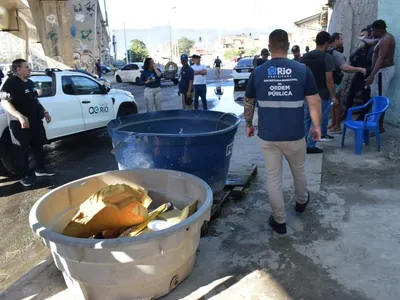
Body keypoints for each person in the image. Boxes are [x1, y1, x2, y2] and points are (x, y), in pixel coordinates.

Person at [244, 29, 322, 235]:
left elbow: (249, 101)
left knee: (273, 179)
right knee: (299, 170)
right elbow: (314, 101)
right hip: (294, 135)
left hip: (269, 137)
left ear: (269, 47)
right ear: (288, 46)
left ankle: (279, 222)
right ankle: (301, 202)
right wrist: (317, 126)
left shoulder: (258, 72)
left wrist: (249, 124)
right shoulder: (302, 70)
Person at [0, 59, 55, 187]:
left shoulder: (29, 82)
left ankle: (40, 169)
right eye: (26, 67)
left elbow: (34, 99)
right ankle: (24, 176)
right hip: (19, 124)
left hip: (35, 121)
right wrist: (20, 116)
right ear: (18, 69)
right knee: (22, 151)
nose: (30, 69)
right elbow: (5, 102)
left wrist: (44, 111)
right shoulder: (11, 83)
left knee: (38, 146)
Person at [301, 31, 337, 154]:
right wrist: (333, 96)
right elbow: (329, 79)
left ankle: (304, 143)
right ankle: (311, 145)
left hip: (306, 94)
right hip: (321, 94)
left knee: (306, 118)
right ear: (326, 43)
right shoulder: (327, 57)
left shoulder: (305, 57)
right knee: (317, 120)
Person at [327, 33, 367, 134]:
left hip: (331, 81)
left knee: (334, 102)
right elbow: (345, 68)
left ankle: (334, 124)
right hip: (335, 81)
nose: (342, 41)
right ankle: (336, 126)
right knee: (336, 103)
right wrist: (360, 69)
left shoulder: (328, 50)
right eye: (341, 39)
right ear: (336, 40)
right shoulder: (336, 53)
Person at [364, 19, 396, 134]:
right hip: (380, 72)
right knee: (376, 98)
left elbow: (381, 58)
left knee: (380, 100)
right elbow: (372, 42)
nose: (371, 33)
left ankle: (378, 126)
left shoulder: (386, 40)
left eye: (373, 31)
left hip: (383, 72)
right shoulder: (381, 38)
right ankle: (376, 124)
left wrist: (372, 75)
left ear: (379, 30)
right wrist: (363, 39)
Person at [345, 26, 373, 118]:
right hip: (358, 74)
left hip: (367, 75)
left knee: (365, 97)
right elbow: (351, 59)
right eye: (360, 35)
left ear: (369, 36)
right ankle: (346, 113)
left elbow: (371, 62)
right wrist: (357, 49)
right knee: (350, 94)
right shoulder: (360, 47)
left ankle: (363, 117)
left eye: (363, 35)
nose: (361, 37)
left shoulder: (372, 48)